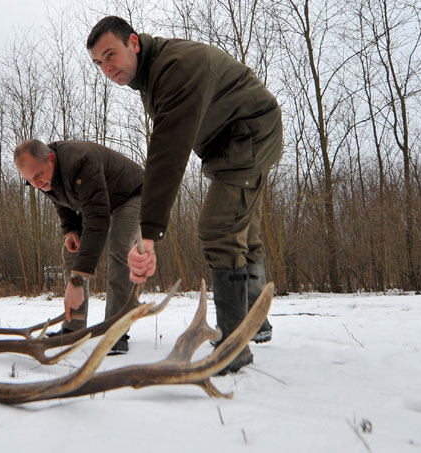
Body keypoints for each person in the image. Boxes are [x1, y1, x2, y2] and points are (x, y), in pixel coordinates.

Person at [87, 16, 281, 373]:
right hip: (232, 142)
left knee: (219, 230)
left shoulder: (174, 67)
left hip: (250, 134)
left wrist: (148, 232)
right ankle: (257, 324)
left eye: (110, 55)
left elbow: (167, 151)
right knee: (243, 233)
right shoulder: (153, 75)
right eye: (99, 63)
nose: (106, 68)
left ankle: (232, 348)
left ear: (133, 43)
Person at [14, 139, 143, 354]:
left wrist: (77, 278)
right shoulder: (43, 175)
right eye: (29, 180)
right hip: (98, 201)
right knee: (71, 250)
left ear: (51, 158)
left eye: (38, 175)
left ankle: (116, 330)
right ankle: (74, 328)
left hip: (130, 193)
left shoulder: (80, 161)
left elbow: (98, 220)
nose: (36, 184)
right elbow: (61, 201)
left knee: (119, 250)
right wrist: (70, 230)